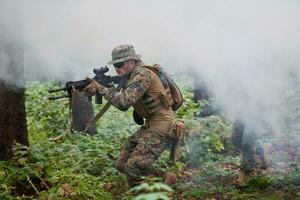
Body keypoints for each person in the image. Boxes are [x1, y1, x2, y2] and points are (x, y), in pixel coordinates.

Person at [83, 44, 179, 187]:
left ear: (131, 61)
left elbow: (124, 103)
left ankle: (141, 195)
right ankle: (165, 178)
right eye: (115, 65)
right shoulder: (129, 76)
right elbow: (120, 96)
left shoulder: (142, 74)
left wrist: (100, 88)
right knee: (122, 164)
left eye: (120, 64)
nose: (117, 68)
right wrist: (95, 89)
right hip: (150, 125)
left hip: (162, 125)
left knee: (132, 167)